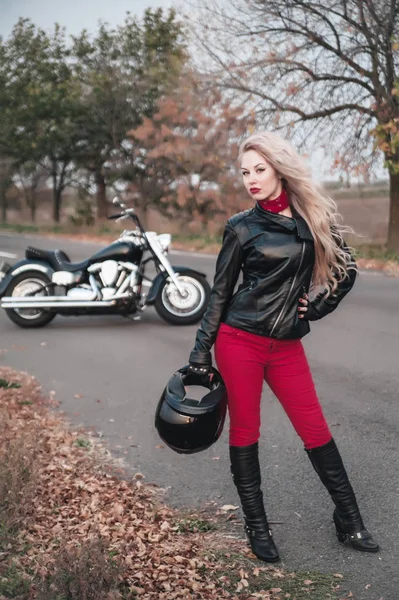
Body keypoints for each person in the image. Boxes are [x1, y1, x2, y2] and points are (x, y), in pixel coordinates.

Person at [187, 131, 379, 563]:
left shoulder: (311, 219)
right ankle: (258, 527)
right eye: (244, 173)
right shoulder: (241, 227)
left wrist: (320, 306)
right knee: (246, 432)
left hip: (287, 345)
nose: (251, 180)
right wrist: (201, 352)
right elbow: (219, 293)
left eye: (259, 170)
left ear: (279, 169)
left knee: (315, 431)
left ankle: (349, 519)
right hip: (240, 341)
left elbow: (346, 269)